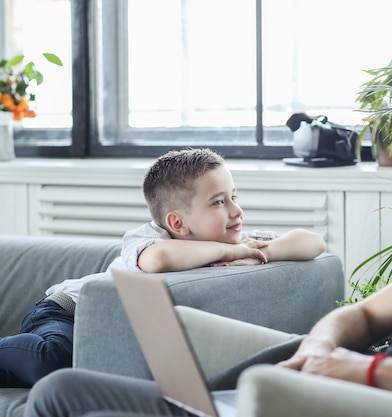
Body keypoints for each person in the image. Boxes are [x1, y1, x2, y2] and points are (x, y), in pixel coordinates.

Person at [25, 53, 392, 417]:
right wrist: (323, 347)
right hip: (323, 391)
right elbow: (368, 316)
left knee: (63, 396)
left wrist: (366, 370)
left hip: (363, 400)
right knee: (61, 392)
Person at [0, 148, 326, 388]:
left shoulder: (238, 243)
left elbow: (313, 242)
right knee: (52, 360)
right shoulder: (148, 239)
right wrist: (235, 249)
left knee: (77, 376)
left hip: (117, 335)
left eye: (234, 196)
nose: (236, 210)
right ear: (177, 223)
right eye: (218, 202)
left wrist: (256, 250)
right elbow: (159, 261)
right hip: (69, 313)